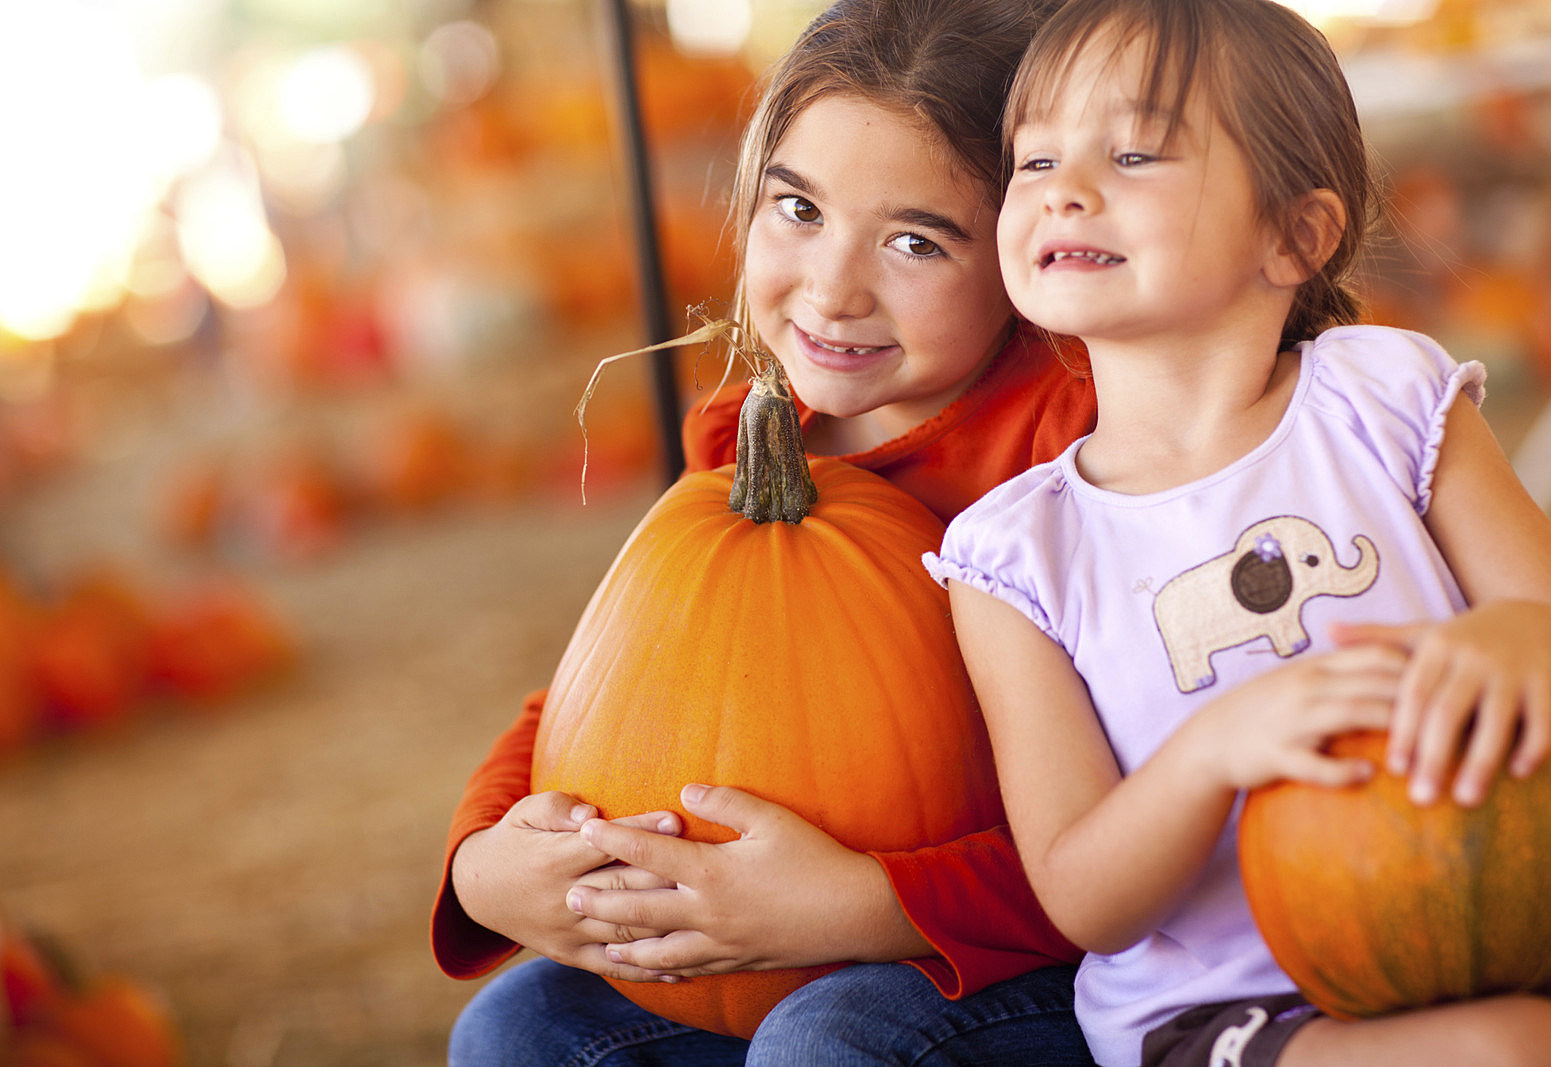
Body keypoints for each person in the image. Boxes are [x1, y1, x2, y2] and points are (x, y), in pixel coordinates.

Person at [924, 1, 1551, 1065]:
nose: (1063, 185)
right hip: (1229, 1011)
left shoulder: (1380, 403)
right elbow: (1081, 896)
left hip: (1509, 917)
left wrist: (1519, 638)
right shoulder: (1015, 554)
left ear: (1294, 235)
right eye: (1034, 156)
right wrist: (1212, 753)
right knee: (1516, 1052)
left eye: (1134, 150)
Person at [436, 0, 1102, 1063]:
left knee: (821, 1038)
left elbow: (1144, 821)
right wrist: (485, 859)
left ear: (1026, 250)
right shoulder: (750, 441)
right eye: (798, 210)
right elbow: (604, 685)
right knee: (523, 1028)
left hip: (1037, 965)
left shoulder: (1075, 450)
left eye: (914, 240)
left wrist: (860, 904)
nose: (832, 289)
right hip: (763, 952)